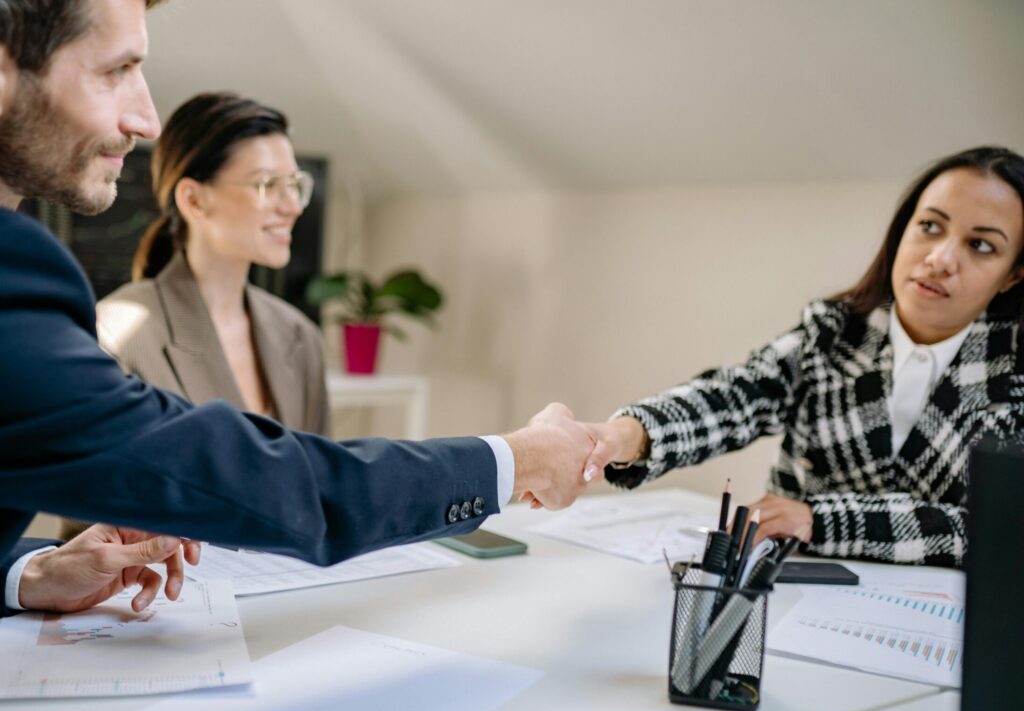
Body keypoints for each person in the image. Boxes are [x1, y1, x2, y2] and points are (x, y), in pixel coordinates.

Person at [0, 0, 594, 616]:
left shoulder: (293, 333)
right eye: (116, 69)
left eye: (295, 185)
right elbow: (281, 482)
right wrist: (515, 458)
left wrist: (24, 570)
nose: (147, 118)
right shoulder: (68, 304)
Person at [576, 146, 1024, 568]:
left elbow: (1000, 531)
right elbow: (736, 397)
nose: (941, 258)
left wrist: (819, 519)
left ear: (1012, 275)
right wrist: (627, 435)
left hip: (936, 629)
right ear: (903, 229)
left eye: (981, 245)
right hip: (785, 592)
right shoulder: (831, 333)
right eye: (930, 226)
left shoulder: (1012, 378)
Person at [59, 91, 329, 539]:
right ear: (194, 200)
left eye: (295, 184)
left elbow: (321, 489)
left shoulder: (299, 335)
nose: (292, 205)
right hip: (160, 594)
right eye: (267, 185)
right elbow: (90, 523)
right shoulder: (117, 333)